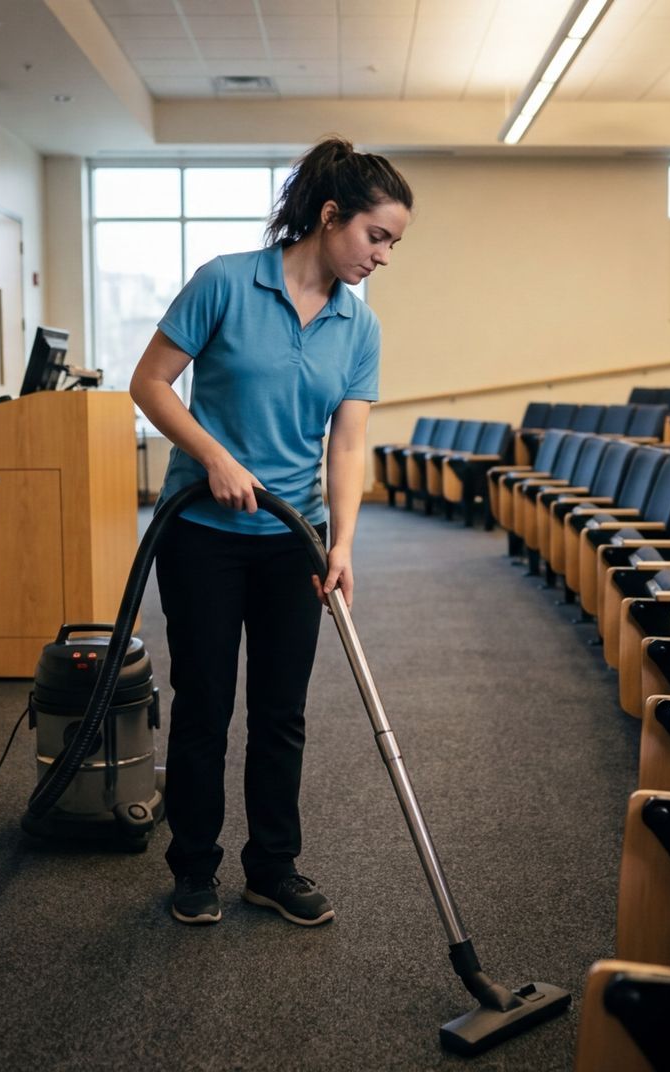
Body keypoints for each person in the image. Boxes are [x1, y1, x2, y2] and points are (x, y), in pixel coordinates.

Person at [129, 138, 412, 926]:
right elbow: (149, 383)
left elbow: (348, 442)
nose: (384, 256)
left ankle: (272, 868)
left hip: (295, 539)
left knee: (281, 712)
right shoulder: (224, 282)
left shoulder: (359, 328)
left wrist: (343, 542)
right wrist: (212, 455)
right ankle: (193, 867)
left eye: (393, 243)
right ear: (330, 218)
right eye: (376, 236)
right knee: (204, 704)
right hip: (203, 534)